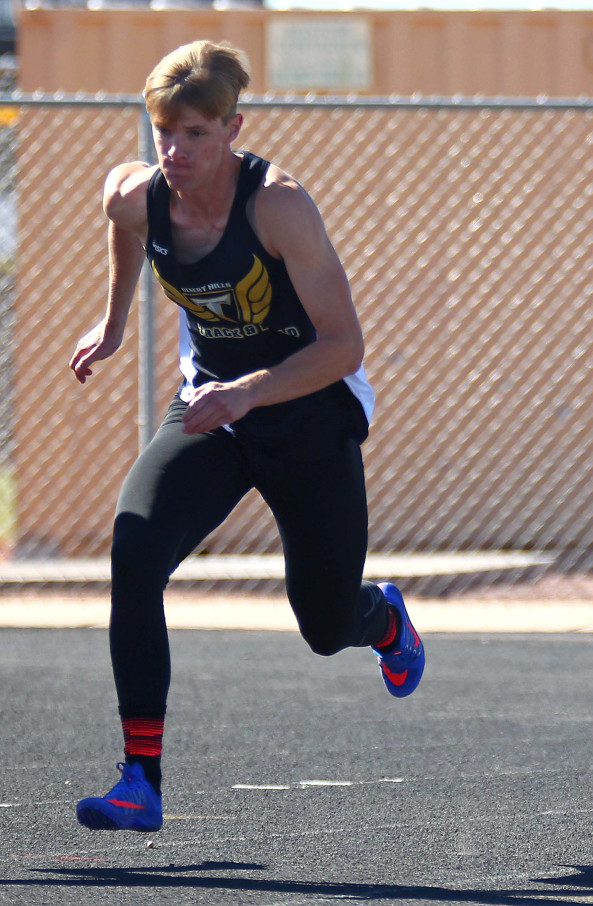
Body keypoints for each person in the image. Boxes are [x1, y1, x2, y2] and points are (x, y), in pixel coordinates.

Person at [69, 40, 424, 833]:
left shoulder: (280, 206)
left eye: (195, 133)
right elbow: (126, 231)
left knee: (324, 625)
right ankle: (141, 778)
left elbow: (343, 347)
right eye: (163, 131)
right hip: (212, 412)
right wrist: (117, 320)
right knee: (135, 549)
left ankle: (383, 619)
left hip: (306, 411)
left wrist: (250, 392)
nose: (175, 150)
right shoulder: (135, 193)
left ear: (234, 127)